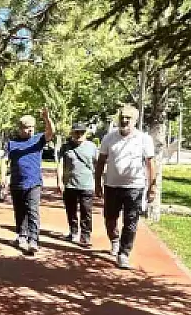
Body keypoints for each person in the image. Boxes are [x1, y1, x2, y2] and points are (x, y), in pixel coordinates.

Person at [94, 105, 156, 270]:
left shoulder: (144, 139)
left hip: (135, 186)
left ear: (135, 121)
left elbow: (150, 164)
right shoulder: (109, 138)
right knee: (110, 219)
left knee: (131, 221)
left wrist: (152, 187)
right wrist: (97, 184)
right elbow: (101, 162)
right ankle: (114, 240)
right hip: (112, 185)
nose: (124, 120)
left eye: (128, 118)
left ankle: (124, 253)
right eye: (122, 117)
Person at [0, 108, 55, 254]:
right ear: (20, 128)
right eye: (26, 128)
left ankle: (33, 240)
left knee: (33, 211)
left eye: (31, 127)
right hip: (17, 183)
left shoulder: (38, 139)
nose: (29, 130)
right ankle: (22, 236)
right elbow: (4, 160)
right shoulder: (11, 143)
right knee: (20, 212)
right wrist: (2, 178)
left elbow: (50, 133)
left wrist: (47, 118)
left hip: (34, 183)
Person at [58, 122, 97, 247]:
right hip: (70, 184)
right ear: (72, 133)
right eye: (76, 132)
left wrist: (98, 182)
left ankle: (85, 236)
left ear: (86, 134)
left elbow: (97, 165)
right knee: (71, 210)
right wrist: (59, 180)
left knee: (86, 211)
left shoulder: (92, 147)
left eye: (81, 132)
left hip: (87, 185)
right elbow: (60, 164)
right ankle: (73, 232)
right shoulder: (66, 147)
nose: (79, 134)